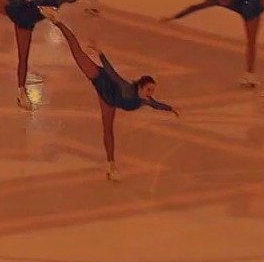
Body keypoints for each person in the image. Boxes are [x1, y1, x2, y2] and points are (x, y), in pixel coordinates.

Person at [40, 11, 178, 181]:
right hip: (100, 78)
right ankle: (58, 22)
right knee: (77, 53)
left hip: (108, 99)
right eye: (149, 89)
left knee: (108, 131)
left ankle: (111, 165)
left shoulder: (145, 100)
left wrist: (171, 108)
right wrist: (100, 53)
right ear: (141, 87)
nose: (151, 94)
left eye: (152, 90)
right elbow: (112, 74)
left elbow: (156, 105)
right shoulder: (127, 89)